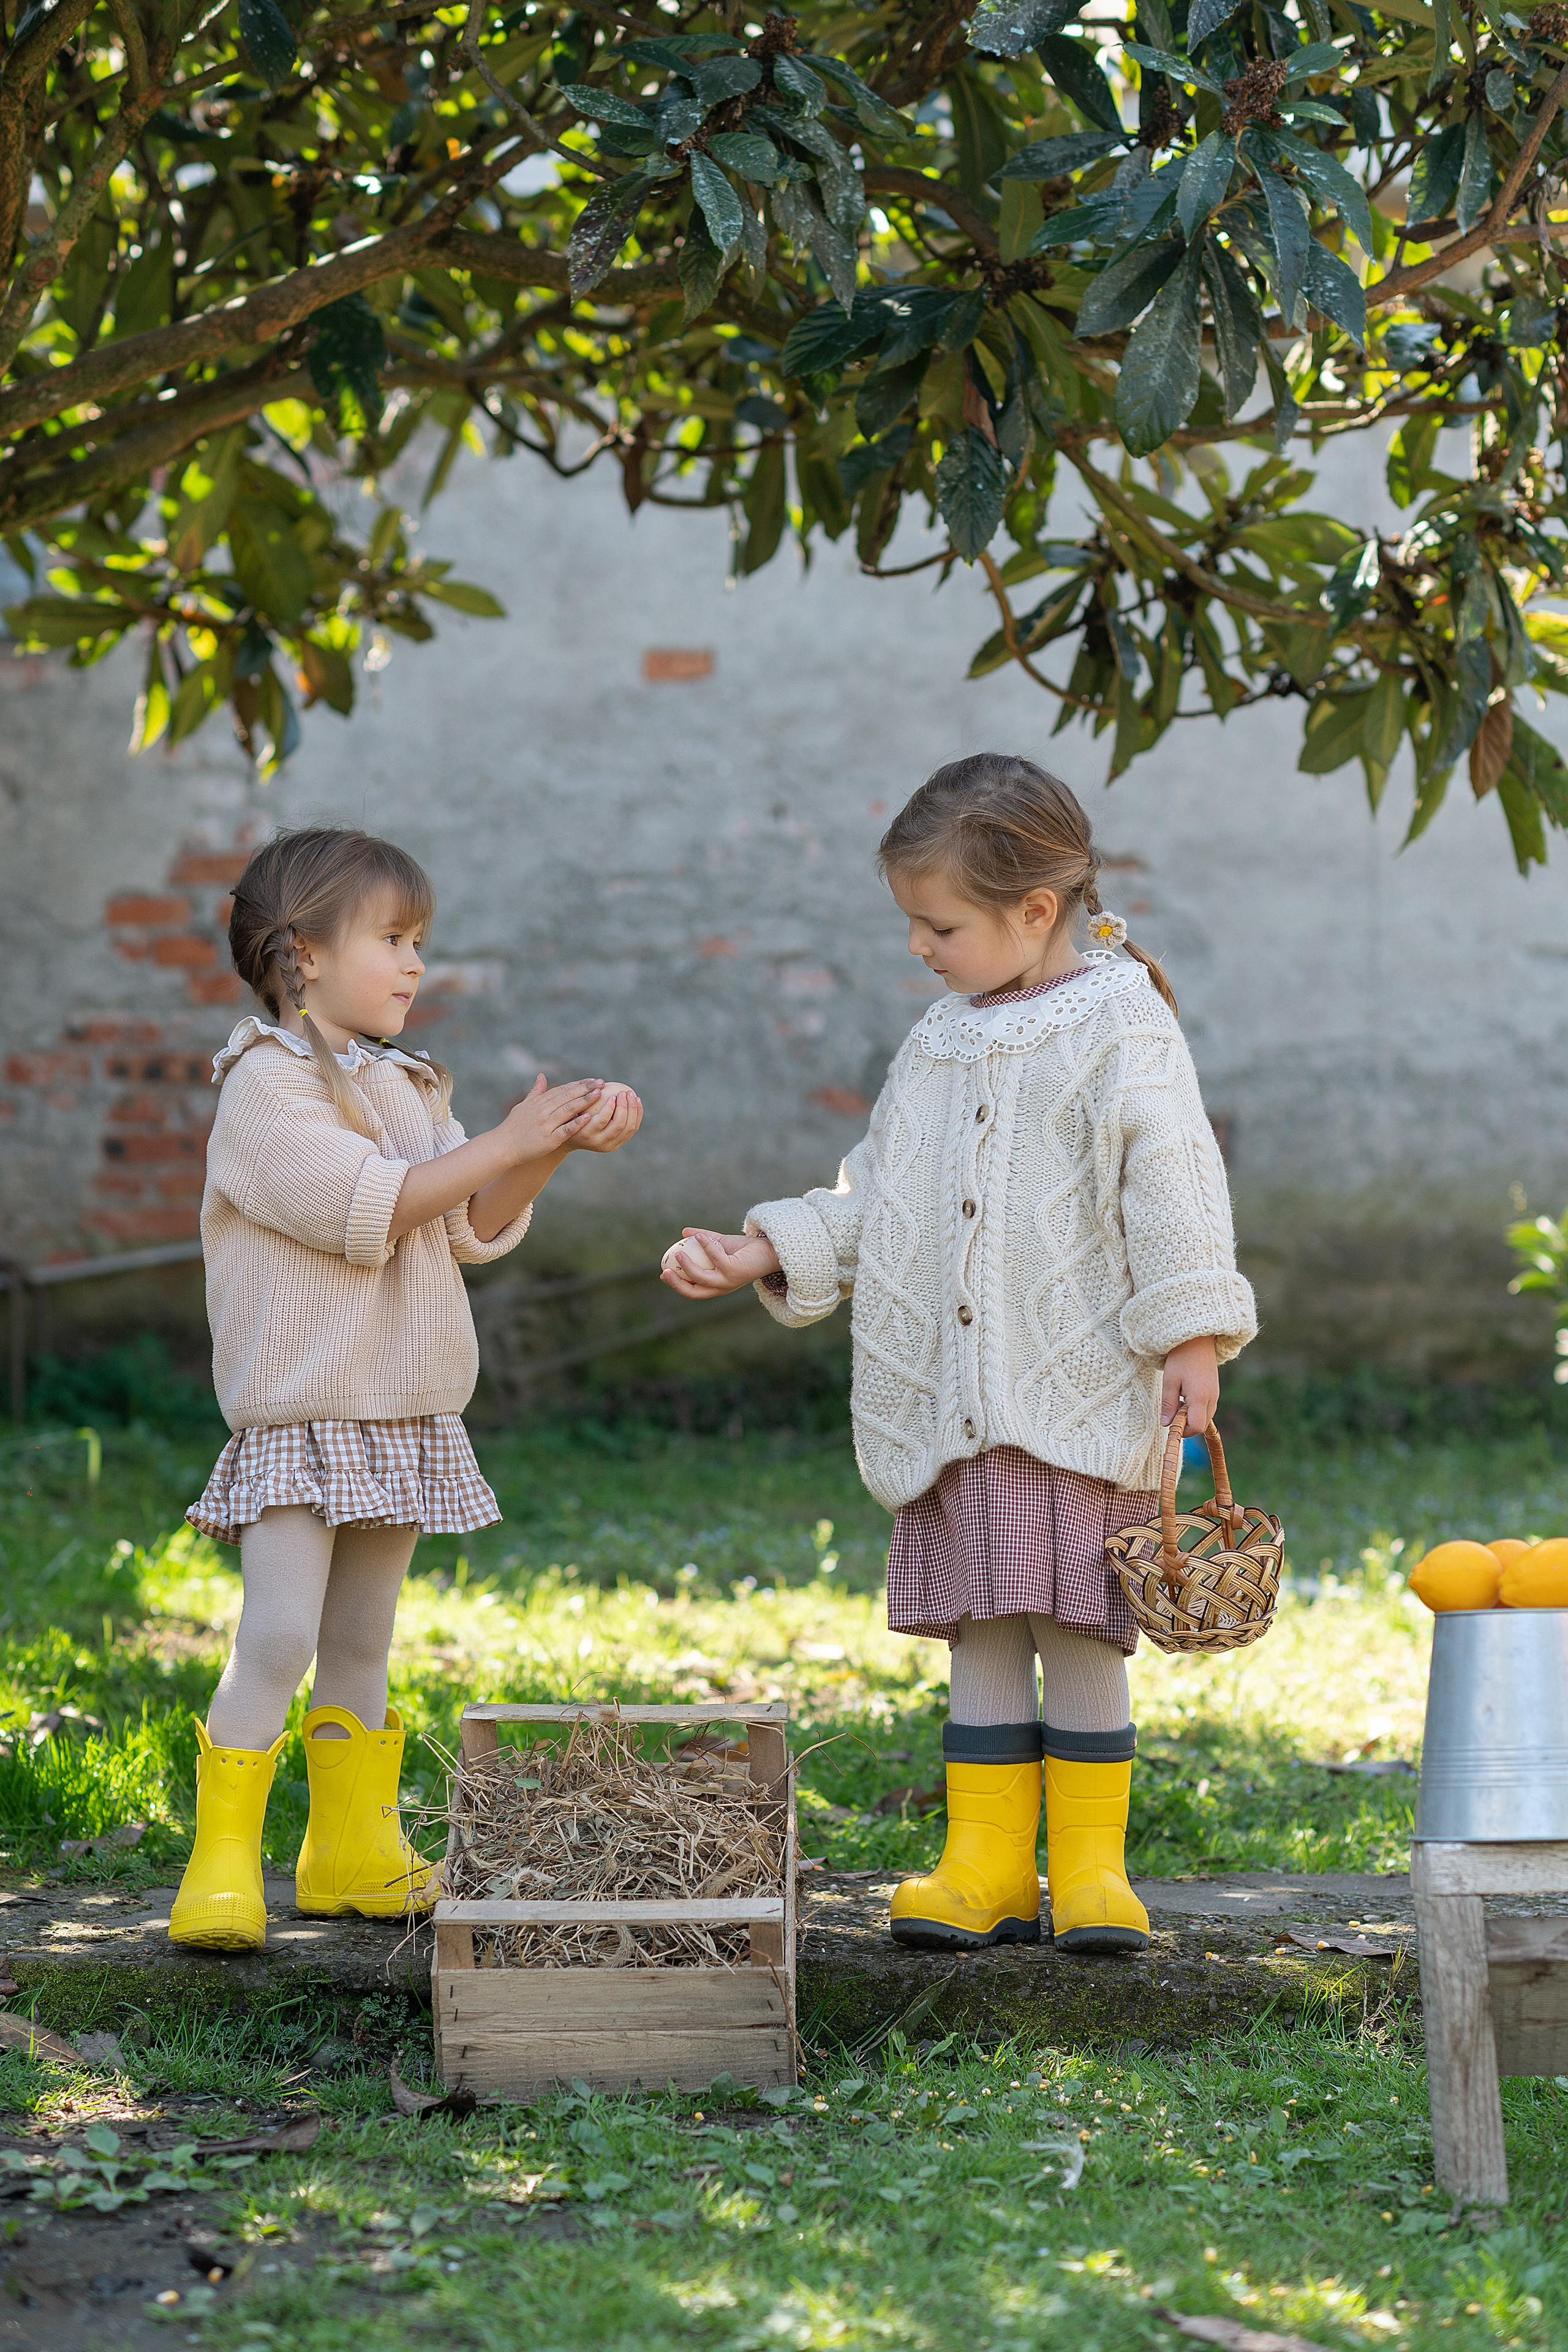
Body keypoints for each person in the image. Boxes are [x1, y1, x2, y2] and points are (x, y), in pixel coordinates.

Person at [660, 755, 1254, 1954]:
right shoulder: (934, 1044)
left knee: (1081, 1627)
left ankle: (1089, 1871)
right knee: (984, 1626)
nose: (920, 948)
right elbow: (880, 1194)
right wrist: (766, 1246)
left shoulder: (1120, 1023)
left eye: (938, 925)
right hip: (955, 1406)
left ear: (1033, 912)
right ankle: (980, 1861)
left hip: (1079, 1394)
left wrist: (1188, 1333)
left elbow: (1172, 1182)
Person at [173, 826, 641, 1951]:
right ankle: (223, 1860)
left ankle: (349, 1848)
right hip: (303, 1412)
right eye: (392, 938)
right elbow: (372, 1208)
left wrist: (548, 1146)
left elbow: (470, 1223)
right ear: (303, 955)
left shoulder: (405, 1084)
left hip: (402, 1410)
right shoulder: (265, 1089)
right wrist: (506, 1137)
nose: (415, 964)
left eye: (418, 940)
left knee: (366, 1645)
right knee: (280, 1635)